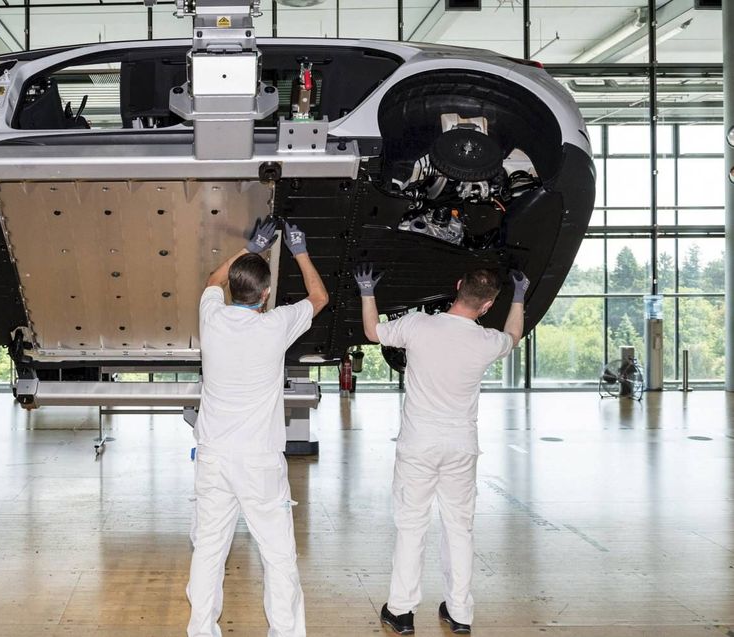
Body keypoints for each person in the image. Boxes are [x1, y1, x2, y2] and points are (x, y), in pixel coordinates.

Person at [353, 265, 529, 635]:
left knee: (411, 526)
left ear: (458, 285)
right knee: (459, 528)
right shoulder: (485, 341)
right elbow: (514, 334)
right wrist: (519, 296)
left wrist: (367, 290)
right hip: (461, 448)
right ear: (487, 305)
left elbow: (372, 332)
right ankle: (460, 613)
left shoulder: (418, 326)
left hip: (419, 445)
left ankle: (401, 612)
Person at [187, 216, 329, 637]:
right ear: (265, 295)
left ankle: (201, 631)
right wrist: (299, 251)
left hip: (213, 457)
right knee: (278, 554)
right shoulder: (275, 325)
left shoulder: (211, 317)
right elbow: (319, 297)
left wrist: (250, 249)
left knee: (208, 550)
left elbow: (213, 279)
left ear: (233, 289)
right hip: (259, 463)